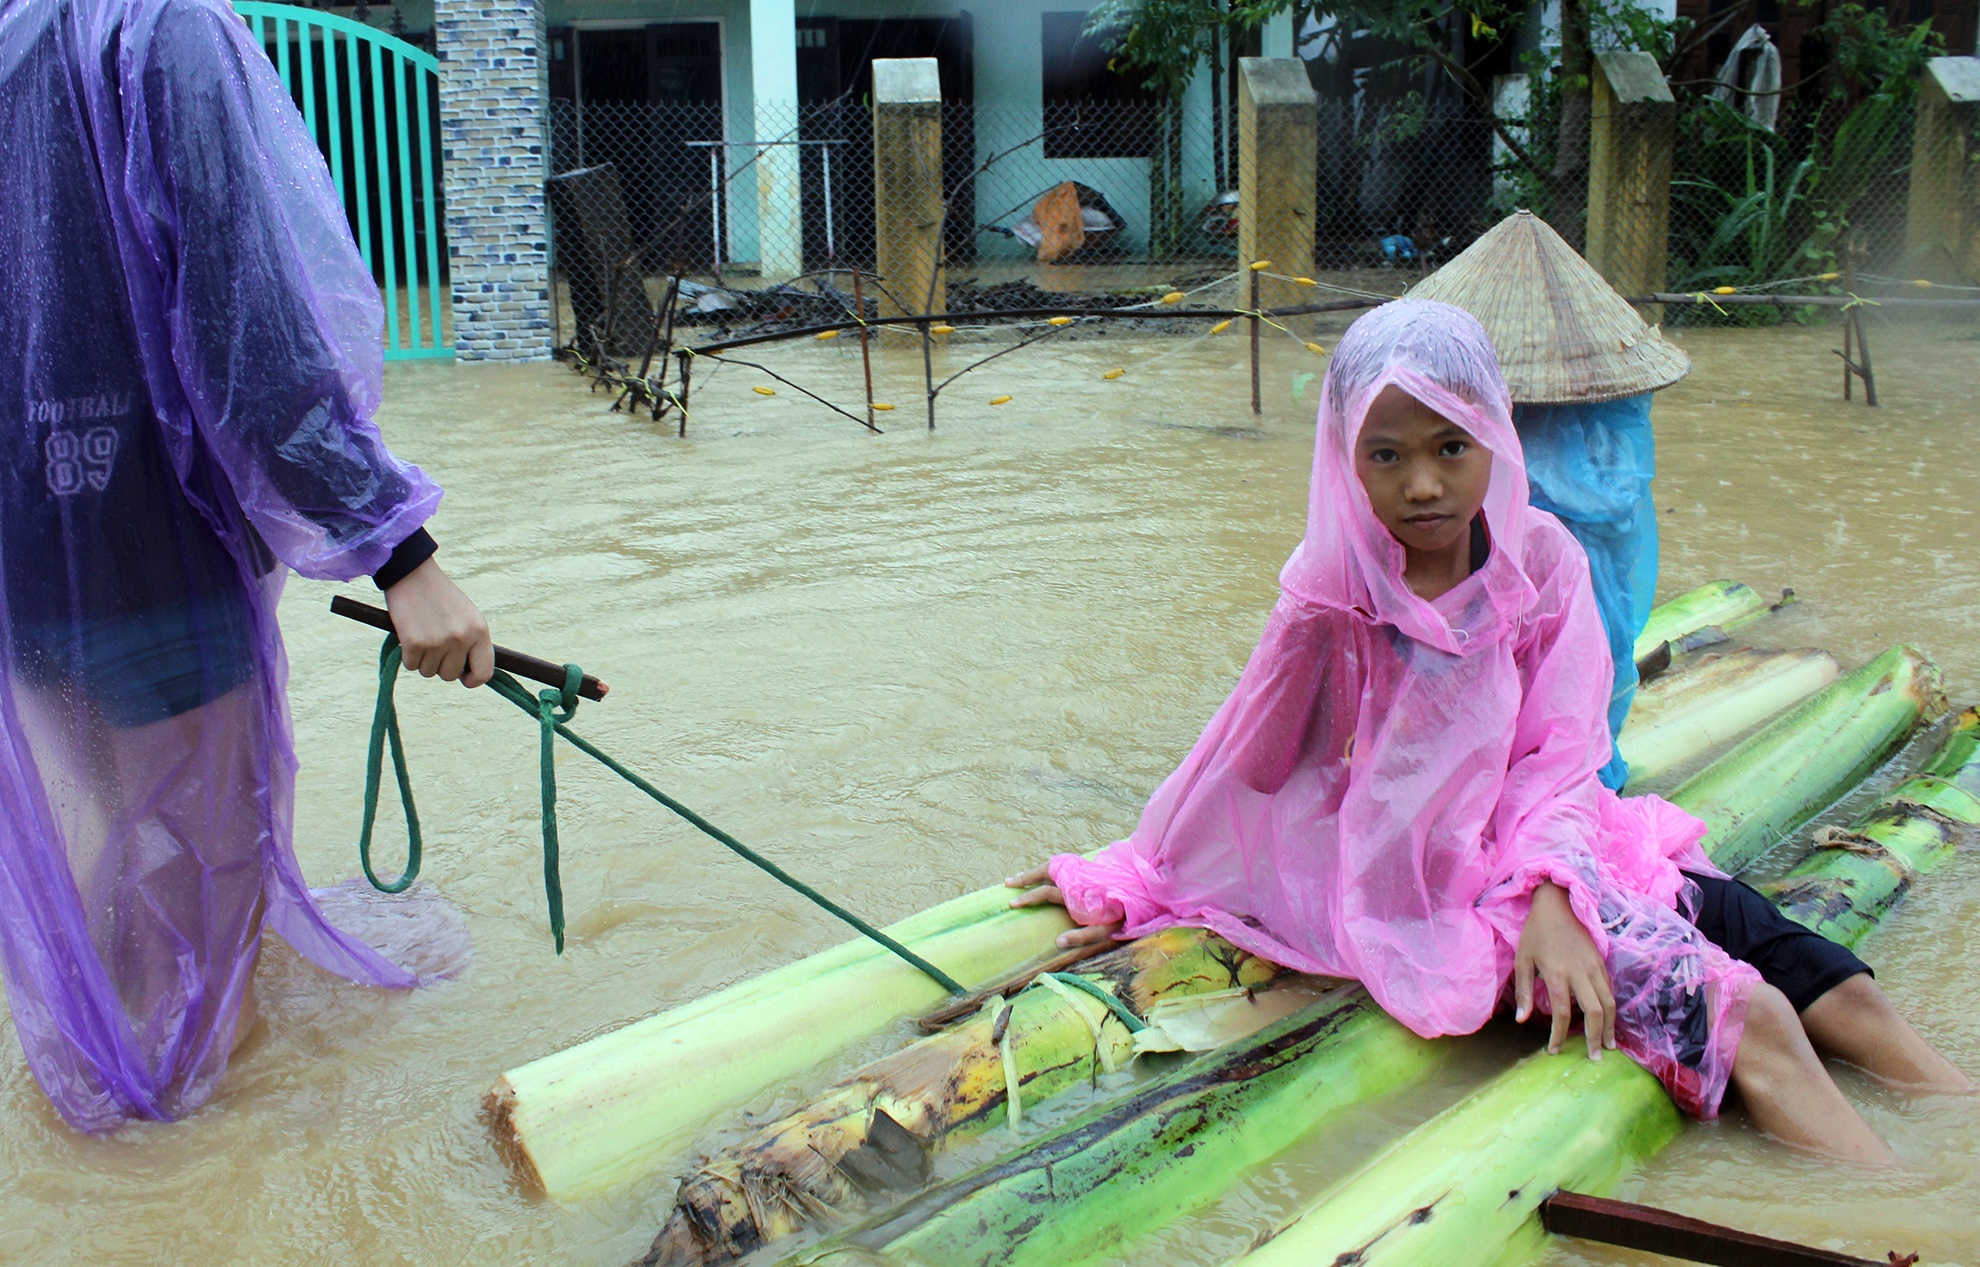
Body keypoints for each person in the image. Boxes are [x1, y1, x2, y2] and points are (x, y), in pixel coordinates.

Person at [1008, 300, 1968, 1161]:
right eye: (1386, 455)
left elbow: (1563, 751)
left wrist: (1552, 891)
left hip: (1566, 846)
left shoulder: (1540, 559)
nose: (1423, 483)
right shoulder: (1333, 588)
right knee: (1754, 1022)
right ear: (1345, 460)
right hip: (1435, 891)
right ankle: (1898, 1221)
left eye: (1450, 446)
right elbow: (1251, 768)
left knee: (1845, 995)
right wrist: (1135, 865)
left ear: (1493, 439)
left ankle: (1952, 1156)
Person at [0, 0, 492, 1132]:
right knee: (201, 897)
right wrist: (401, 553)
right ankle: (188, 1187)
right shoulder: (164, 31)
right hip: (149, 549)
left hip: (27, 554)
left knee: (119, 869)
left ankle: (92, 1167)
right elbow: (250, 327)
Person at [1411, 210, 1686, 790]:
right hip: (1562, 584)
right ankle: (1559, 778)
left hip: (1556, 586)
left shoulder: (1534, 514)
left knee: (1550, 667)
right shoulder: (1598, 446)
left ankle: (1544, 785)